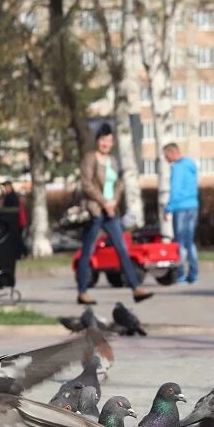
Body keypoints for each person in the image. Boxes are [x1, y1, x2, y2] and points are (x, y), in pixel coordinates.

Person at [75, 124, 153, 305]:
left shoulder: (112, 160)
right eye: (103, 140)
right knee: (88, 250)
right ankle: (82, 291)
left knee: (122, 249)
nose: (106, 144)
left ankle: (136, 288)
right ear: (97, 141)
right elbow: (87, 184)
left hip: (111, 212)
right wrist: (104, 202)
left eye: (109, 141)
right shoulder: (90, 158)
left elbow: (118, 183)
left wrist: (114, 202)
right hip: (96, 210)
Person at [163, 143, 199, 284]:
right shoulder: (191, 164)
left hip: (180, 208)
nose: (166, 159)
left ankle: (180, 274)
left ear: (172, 153)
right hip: (193, 205)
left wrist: (168, 208)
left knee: (180, 243)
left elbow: (175, 190)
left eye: (166, 155)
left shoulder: (177, 168)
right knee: (190, 242)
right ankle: (194, 274)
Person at [0, 180, 29, 257]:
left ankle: (23, 252)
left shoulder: (11, 197)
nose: (6, 189)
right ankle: (21, 253)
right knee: (16, 238)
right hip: (15, 221)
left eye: (6, 187)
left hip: (17, 221)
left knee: (17, 238)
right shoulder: (12, 197)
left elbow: (13, 210)